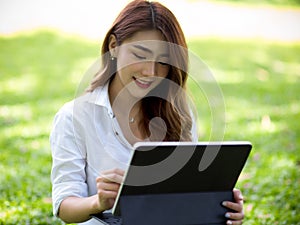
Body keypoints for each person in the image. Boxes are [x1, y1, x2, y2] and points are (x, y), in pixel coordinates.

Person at [50, 0, 245, 224]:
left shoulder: (178, 111)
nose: (151, 72)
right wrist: (99, 202)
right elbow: (65, 205)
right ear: (114, 46)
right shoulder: (74, 117)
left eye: (163, 61)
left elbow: (183, 196)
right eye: (140, 55)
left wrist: (219, 206)